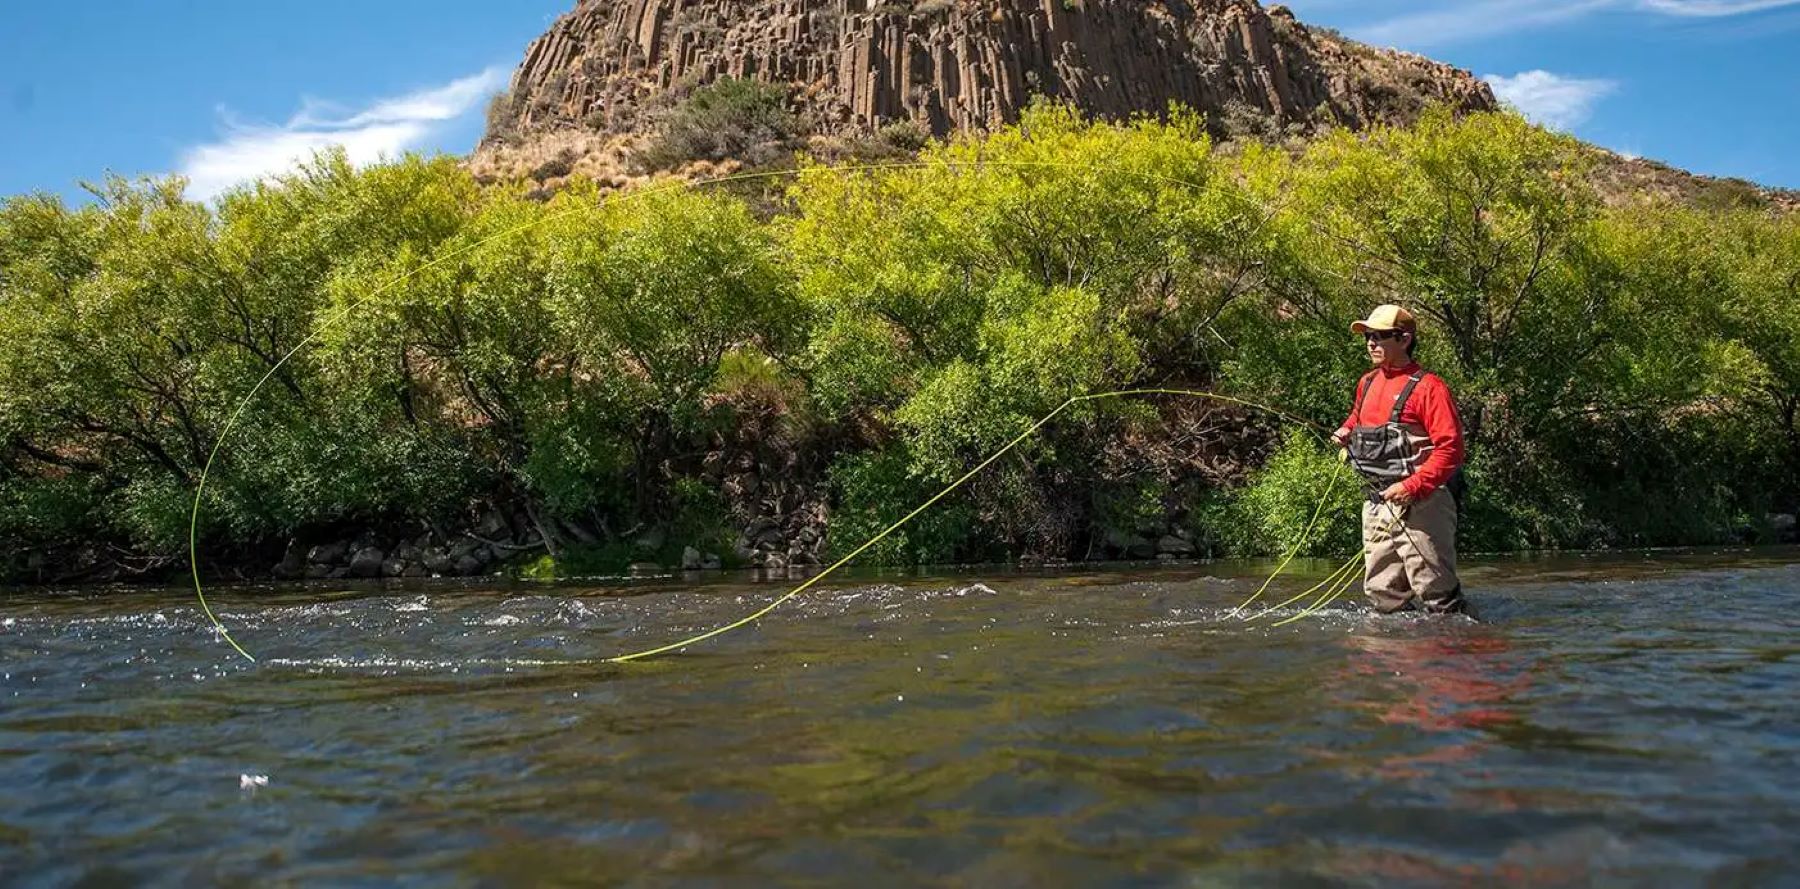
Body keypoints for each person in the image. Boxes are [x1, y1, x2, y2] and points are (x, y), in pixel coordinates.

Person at [1329, 304, 1471, 616]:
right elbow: (1358, 417)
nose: (1370, 343)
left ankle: (1452, 654)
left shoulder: (1430, 388)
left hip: (1423, 504)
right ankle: (1394, 658)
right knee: (1383, 596)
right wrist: (1346, 430)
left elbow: (1451, 449)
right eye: (1368, 336)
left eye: (1379, 336)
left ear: (1404, 339)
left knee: (1438, 596)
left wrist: (1413, 486)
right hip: (1377, 503)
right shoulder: (1366, 382)